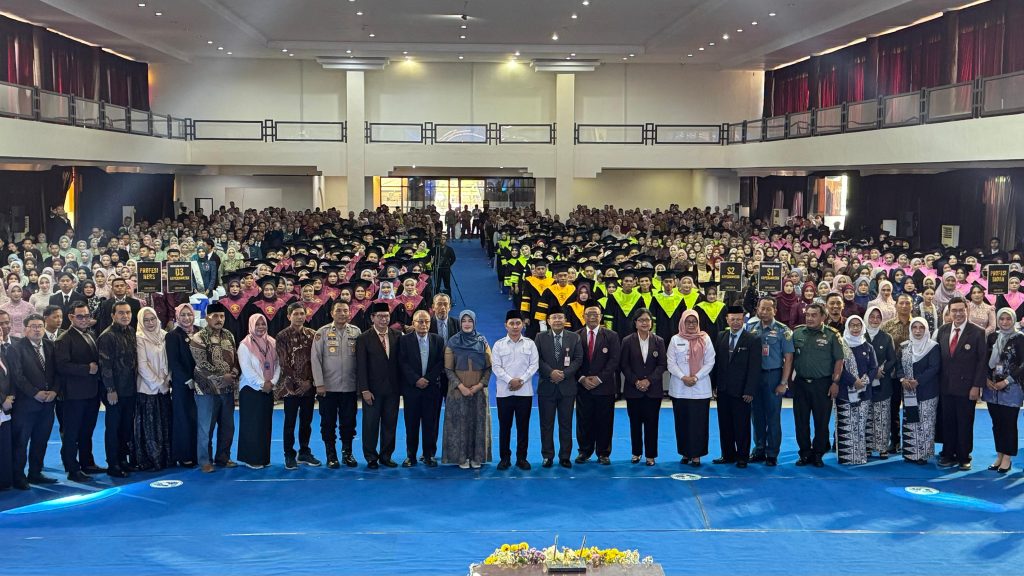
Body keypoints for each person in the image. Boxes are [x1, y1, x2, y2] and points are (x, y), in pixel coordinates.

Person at [54, 301, 104, 480]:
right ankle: (72, 468)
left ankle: (87, 462)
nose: (84, 319)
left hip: (91, 392)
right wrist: (86, 369)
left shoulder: (90, 334)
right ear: (71, 317)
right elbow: (61, 366)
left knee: (87, 430)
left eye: (87, 316)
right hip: (73, 394)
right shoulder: (64, 339)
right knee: (71, 432)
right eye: (80, 316)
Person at [936, 296, 988, 471]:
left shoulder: (978, 332)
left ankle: (964, 455)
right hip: (945, 386)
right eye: (954, 310)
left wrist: (977, 386)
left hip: (967, 388)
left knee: (965, 422)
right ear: (949, 313)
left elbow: (982, 361)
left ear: (967, 310)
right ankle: (948, 453)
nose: (957, 314)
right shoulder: (942, 331)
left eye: (961, 310)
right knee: (947, 422)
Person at [6, 314, 57, 489]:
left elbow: (57, 372)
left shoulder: (50, 346)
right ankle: (18, 476)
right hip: (26, 405)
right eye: (33, 326)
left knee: (41, 440)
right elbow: (17, 376)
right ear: (25, 328)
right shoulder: (17, 348)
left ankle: (35, 473)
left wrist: (55, 391)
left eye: (40, 326)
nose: (37, 329)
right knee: (21, 442)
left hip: (48, 403)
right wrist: (34, 393)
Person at [791, 303, 845, 467]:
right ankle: (805, 453)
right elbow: (789, 358)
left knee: (821, 422)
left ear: (823, 317)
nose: (810, 318)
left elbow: (839, 360)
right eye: (808, 315)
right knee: (801, 422)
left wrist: (835, 382)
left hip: (822, 384)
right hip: (800, 383)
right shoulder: (797, 333)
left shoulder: (831, 335)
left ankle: (818, 454)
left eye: (814, 315)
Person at [190, 302, 239, 473]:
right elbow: (201, 364)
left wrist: (233, 373)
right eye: (215, 316)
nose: (219, 319)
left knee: (228, 427)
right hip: (206, 390)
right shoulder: (199, 338)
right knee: (206, 428)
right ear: (207, 318)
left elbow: (235, 359)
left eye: (222, 316)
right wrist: (221, 377)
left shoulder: (229, 335)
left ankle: (223, 458)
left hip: (226, 390)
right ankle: (205, 461)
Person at [312, 300, 362, 468]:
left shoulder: (356, 332)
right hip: (328, 388)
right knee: (328, 423)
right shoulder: (322, 332)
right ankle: (331, 454)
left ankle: (347, 453)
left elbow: (361, 361)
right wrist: (319, 384)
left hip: (349, 387)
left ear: (350, 313)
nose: (342, 314)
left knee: (349, 422)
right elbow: (315, 360)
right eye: (338, 310)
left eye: (345, 311)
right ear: (332, 313)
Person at [745, 296, 794, 467]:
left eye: (768, 309)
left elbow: (788, 358)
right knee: (756, 415)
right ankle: (759, 449)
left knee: (773, 416)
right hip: (754, 377)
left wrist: (784, 382)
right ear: (757, 309)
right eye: (761, 308)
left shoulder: (783, 331)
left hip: (773, 376)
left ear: (775, 311)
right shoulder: (750, 328)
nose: (764, 312)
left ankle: (772, 452)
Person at [442, 310, 492, 468]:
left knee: (477, 423)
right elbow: (448, 369)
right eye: (464, 320)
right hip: (458, 391)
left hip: (479, 392)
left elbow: (489, 367)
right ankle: (461, 457)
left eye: (470, 320)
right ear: (460, 323)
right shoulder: (452, 341)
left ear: (474, 322)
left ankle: (477, 457)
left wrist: (478, 386)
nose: (467, 323)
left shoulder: (482, 341)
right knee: (460, 424)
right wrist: (461, 387)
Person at [712, 305, 760, 468]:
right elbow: (717, 363)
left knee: (741, 425)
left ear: (743, 320)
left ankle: (742, 457)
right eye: (732, 319)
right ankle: (727, 454)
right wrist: (714, 385)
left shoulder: (752, 339)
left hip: (742, 391)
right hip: (723, 389)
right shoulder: (721, 336)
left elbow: (754, 367)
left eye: (739, 319)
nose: (736, 322)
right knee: (724, 424)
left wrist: (749, 390)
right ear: (727, 320)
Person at [491, 310, 539, 471]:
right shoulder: (498, 345)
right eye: (512, 323)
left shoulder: (530, 344)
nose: (515, 326)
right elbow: (496, 367)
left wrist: (522, 381)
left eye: (518, 323)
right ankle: (504, 458)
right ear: (506, 326)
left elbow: (534, 365)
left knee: (523, 427)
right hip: (504, 392)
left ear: (523, 325)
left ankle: (521, 458)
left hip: (524, 392)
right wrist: (510, 380)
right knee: (504, 427)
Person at [275, 302, 321, 470]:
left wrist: (310, 382)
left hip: (309, 386)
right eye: (296, 314)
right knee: (290, 422)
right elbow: (283, 362)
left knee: (306, 422)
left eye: (302, 313)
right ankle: (289, 454)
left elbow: (317, 360)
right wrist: (298, 382)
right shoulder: (282, 336)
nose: (299, 316)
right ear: (289, 316)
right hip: (290, 387)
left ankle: (304, 451)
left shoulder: (313, 334)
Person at [535, 308, 583, 468]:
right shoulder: (540, 337)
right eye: (554, 317)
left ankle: (565, 456)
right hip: (547, 386)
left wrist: (564, 374)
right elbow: (537, 359)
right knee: (546, 424)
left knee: (566, 423)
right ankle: (547, 456)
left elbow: (578, 359)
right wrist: (551, 373)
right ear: (548, 321)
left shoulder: (574, 337)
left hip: (567, 387)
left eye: (560, 317)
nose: (557, 320)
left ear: (565, 320)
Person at [397, 310, 446, 467]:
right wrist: (416, 380)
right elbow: (402, 362)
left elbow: (441, 363)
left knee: (430, 424)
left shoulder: (438, 340)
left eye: (426, 321)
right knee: (411, 424)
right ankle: (410, 456)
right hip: (412, 390)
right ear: (413, 323)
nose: (423, 324)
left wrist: (428, 379)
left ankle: (429, 455)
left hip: (432, 389)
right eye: (420, 321)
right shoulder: (404, 341)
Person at [356, 301, 401, 469]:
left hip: (393, 390)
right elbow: (361, 366)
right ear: (372, 318)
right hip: (372, 391)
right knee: (370, 425)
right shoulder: (364, 338)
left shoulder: (397, 336)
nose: (384, 319)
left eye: (386, 316)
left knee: (390, 423)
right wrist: (365, 390)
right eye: (380, 316)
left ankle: (386, 455)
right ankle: (371, 457)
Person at [668, 309, 715, 467]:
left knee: (699, 424)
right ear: (682, 322)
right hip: (680, 389)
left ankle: (697, 455)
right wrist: (683, 377)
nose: (691, 324)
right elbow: (671, 363)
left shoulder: (705, 338)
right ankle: (685, 453)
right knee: (682, 423)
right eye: (688, 322)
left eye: (694, 322)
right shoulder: (675, 339)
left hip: (700, 388)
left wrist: (695, 377)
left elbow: (710, 361)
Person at [575, 303, 621, 465]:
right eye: (589, 314)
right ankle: (584, 451)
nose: (593, 317)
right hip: (583, 387)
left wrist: (599, 378)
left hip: (605, 387)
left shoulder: (612, 335)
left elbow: (614, 360)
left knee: (605, 420)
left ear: (601, 317)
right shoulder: (576, 336)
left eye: (596, 314)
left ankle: (603, 452)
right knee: (583, 420)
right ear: (583, 317)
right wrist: (582, 378)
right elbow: (573, 362)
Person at [619, 308, 666, 466]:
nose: (645, 323)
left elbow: (661, 365)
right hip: (633, 390)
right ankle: (636, 452)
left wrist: (649, 381)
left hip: (653, 391)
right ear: (635, 323)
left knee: (652, 423)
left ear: (651, 322)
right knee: (635, 423)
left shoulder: (659, 341)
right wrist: (636, 382)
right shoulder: (627, 341)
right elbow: (624, 365)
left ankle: (651, 455)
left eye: (647, 320)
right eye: (641, 320)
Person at [97, 301, 138, 477]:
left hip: (130, 388)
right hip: (114, 391)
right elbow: (104, 365)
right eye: (121, 313)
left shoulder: (131, 331)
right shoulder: (107, 336)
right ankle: (113, 464)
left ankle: (123, 460)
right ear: (113, 315)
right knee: (113, 428)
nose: (125, 316)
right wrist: (110, 389)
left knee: (126, 428)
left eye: (128, 313)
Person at [896, 317, 941, 465]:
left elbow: (934, 368)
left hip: (927, 391)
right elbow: (899, 366)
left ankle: (922, 454)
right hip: (909, 391)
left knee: (925, 423)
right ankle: (910, 453)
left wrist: (918, 381)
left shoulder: (933, 347)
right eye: (914, 327)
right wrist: (903, 379)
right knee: (911, 421)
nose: (917, 330)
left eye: (921, 327)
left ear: (926, 329)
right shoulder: (904, 346)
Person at [984, 308, 1024, 473]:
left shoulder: (1020, 338)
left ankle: (1007, 457)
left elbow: (1023, 364)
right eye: (1002, 319)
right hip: (992, 388)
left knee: (1008, 423)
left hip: (1011, 388)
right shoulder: (993, 337)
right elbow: (985, 360)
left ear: (1013, 320)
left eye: (1008, 319)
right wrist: (986, 378)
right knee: (997, 424)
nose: (1005, 322)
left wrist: (1007, 381)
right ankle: (999, 455)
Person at [237, 313, 278, 469]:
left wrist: (272, 382)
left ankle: (263, 458)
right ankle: (251, 458)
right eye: (257, 324)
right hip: (250, 390)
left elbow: (278, 365)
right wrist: (262, 384)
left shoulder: (272, 342)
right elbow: (246, 369)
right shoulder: (245, 345)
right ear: (251, 325)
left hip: (268, 389)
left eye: (263, 324)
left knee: (265, 425)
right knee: (252, 425)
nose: (261, 327)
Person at [834, 316, 877, 465]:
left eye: (858, 325)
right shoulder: (841, 346)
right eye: (852, 325)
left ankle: (859, 455)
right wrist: (854, 381)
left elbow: (874, 368)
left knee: (860, 424)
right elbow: (839, 368)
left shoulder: (868, 347)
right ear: (847, 327)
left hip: (864, 392)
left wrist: (863, 382)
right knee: (847, 423)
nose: (855, 328)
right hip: (844, 392)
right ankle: (846, 457)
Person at [134, 307, 172, 471]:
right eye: (146, 320)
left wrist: (168, 379)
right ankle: (150, 459)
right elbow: (142, 365)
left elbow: (170, 359)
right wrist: (157, 382)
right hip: (147, 389)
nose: (150, 323)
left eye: (153, 319)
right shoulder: (139, 338)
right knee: (150, 426)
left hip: (164, 389)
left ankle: (166, 458)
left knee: (164, 424)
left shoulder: (164, 335)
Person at [167, 303, 198, 467]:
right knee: (183, 420)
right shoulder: (173, 335)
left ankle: (197, 453)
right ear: (178, 317)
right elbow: (174, 361)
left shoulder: (199, 331)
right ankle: (184, 455)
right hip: (182, 385)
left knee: (198, 420)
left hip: (201, 385)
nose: (187, 318)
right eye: (183, 315)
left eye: (189, 315)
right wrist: (187, 380)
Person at [864, 306, 897, 459]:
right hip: (864, 384)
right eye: (872, 316)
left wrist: (880, 370)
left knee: (883, 416)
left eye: (878, 317)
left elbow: (892, 359)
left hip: (883, 383)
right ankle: (868, 447)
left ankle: (882, 447)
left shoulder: (886, 337)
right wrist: (871, 373)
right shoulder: (860, 335)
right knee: (867, 416)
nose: (875, 320)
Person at [0, 354, 12, 490]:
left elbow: (11, 379)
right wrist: (3, 400)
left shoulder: (3, 355)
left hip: (5, 409)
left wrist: (10, 397)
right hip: (2, 404)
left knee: (4, 446)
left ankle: (4, 480)